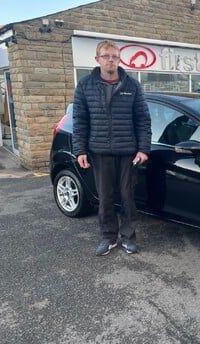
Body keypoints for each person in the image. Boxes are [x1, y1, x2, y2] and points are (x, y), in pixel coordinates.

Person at [72, 40, 151, 256]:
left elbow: (143, 119)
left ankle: (128, 237)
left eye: (115, 56)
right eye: (106, 56)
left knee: (127, 196)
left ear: (119, 59)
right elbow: (80, 120)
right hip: (99, 152)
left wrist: (143, 148)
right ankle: (109, 237)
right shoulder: (85, 85)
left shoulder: (132, 86)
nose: (111, 60)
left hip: (128, 152)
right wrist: (80, 150)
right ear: (97, 59)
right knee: (105, 198)